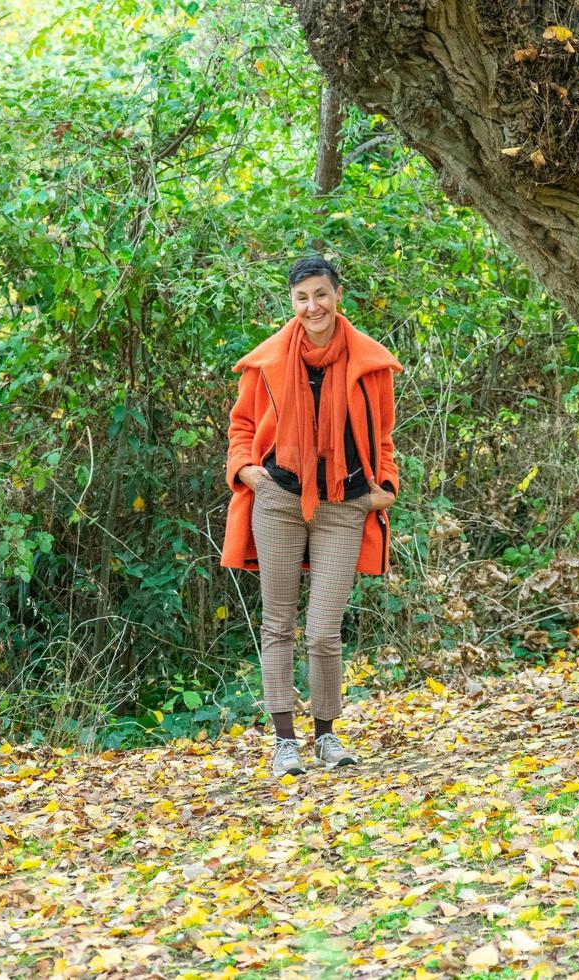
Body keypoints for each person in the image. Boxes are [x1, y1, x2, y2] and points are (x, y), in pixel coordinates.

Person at [221, 257, 402, 777]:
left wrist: (383, 487)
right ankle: (285, 745)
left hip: (343, 504)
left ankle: (325, 736)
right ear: (292, 303)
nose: (312, 307)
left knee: (324, 629)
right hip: (278, 498)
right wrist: (247, 471)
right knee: (277, 624)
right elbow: (242, 426)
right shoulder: (268, 363)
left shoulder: (370, 363)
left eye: (321, 295)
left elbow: (383, 436)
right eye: (302, 298)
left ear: (337, 295)